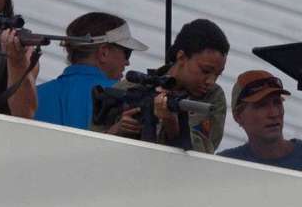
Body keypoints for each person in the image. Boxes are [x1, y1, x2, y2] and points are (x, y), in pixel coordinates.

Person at [96, 19, 229, 154]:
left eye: (218, 74)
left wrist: (171, 122)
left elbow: (204, 153)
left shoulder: (212, 97)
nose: (211, 81)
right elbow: (92, 144)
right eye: (205, 71)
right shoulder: (131, 87)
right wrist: (117, 130)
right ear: (181, 57)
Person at [35, 12, 148, 129]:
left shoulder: (32, 97)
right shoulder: (127, 98)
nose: (127, 62)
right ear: (104, 52)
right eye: (127, 53)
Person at [218, 70, 302, 171]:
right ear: (238, 116)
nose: (274, 113)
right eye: (261, 105)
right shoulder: (224, 165)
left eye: (277, 102)